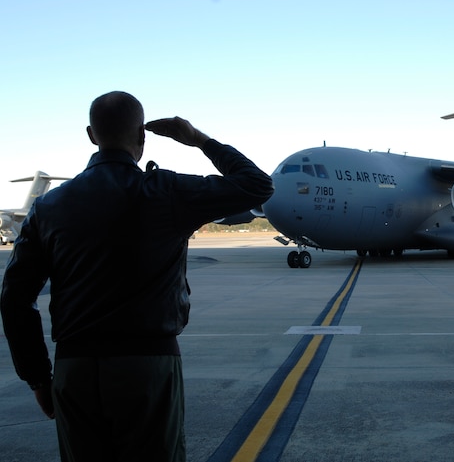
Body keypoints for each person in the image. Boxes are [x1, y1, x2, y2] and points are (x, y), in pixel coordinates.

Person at [0, 91, 274, 462]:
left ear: (91, 135)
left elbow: (15, 298)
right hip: (147, 366)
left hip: (74, 369)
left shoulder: (49, 207)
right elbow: (257, 185)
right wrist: (199, 140)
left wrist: (37, 377)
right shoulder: (166, 191)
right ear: (142, 137)